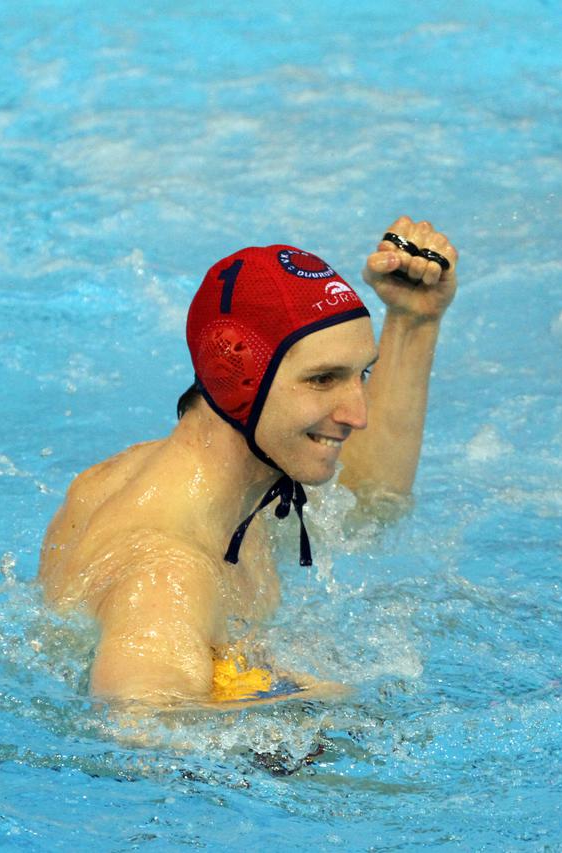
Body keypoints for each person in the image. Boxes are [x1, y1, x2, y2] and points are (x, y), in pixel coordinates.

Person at [38, 215, 458, 705]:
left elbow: (371, 503)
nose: (357, 414)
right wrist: (322, 702)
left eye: (361, 374)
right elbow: (139, 726)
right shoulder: (168, 574)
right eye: (323, 379)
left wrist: (413, 322)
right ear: (238, 378)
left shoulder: (217, 488)